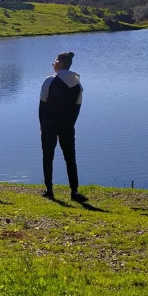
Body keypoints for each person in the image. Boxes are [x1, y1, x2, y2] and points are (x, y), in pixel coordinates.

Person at [39, 51, 87, 202]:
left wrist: (42, 125)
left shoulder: (49, 81)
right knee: (70, 158)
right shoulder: (77, 85)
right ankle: (74, 191)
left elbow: (42, 106)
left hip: (49, 126)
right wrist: (70, 124)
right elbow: (77, 108)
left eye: (55, 61)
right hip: (67, 126)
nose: (53, 63)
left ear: (59, 64)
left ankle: (49, 190)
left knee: (48, 157)